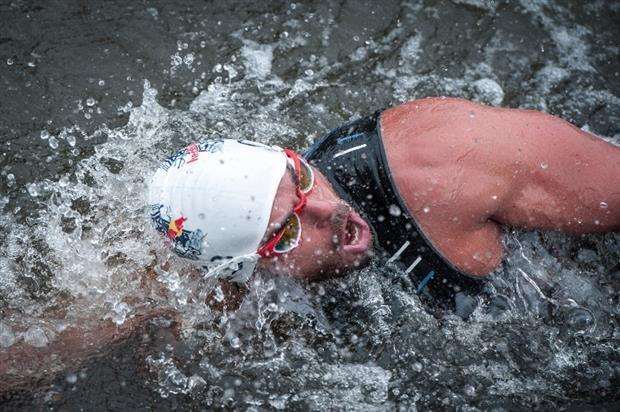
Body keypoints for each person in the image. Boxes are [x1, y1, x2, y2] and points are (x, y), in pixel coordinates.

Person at [148, 97, 620, 310]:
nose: (326, 211)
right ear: (253, 270)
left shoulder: (448, 161)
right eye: (286, 231)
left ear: (291, 157)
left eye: (303, 179)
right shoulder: (233, 295)